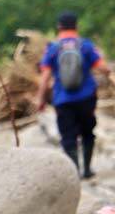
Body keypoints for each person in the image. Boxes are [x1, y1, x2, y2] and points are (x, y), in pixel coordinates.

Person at [37, 11, 111, 178]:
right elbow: (103, 68)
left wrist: (40, 99)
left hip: (62, 100)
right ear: (76, 26)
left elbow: (45, 78)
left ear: (59, 27)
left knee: (68, 136)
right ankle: (87, 170)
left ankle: (75, 173)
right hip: (86, 98)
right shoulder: (85, 45)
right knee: (87, 133)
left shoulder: (53, 48)